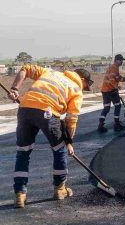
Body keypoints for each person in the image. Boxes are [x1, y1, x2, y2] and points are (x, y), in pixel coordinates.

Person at [7, 65, 92, 208]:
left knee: (23, 152)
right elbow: (71, 120)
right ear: (82, 79)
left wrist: (15, 89)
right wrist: (69, 142)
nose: (84, 88)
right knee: (59, 150)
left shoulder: (50, 72)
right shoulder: (76, 90)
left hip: (25, 109)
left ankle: (19, 195)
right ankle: (60, 189)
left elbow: (25, 68)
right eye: (85, 85)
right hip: (48, 113)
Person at [98, 54, 125, 132]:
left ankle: (100, 125)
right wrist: (116, 87)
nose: (122, 62)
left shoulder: (114, 68)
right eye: (121, 60)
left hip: (105, 90)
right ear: (116, 60)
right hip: (111, 90)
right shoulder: (114, 68)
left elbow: (117, 78)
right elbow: (112, 80)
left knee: (106, 108)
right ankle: (117, 124)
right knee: (118, 106)